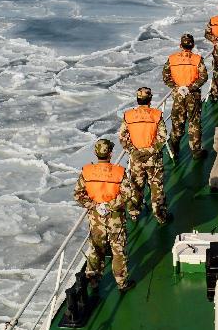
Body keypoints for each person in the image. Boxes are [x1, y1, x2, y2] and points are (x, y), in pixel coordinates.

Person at [73, 139, 135, 292]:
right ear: (111, 153)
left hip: (96, 218)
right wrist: (109, 205)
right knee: (118, 250)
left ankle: (93, 280)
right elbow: (128, 193)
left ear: (96, 153)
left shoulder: (86, 172)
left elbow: (78, 194)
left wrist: (95, 205)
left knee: (96, 249)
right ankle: (122, 283)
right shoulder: (119, 172)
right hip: (115, 218)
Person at [119, 87, 171, 224]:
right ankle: (160, 215)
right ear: (150, 99)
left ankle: (134, 213)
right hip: (153, 159)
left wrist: (134, 151)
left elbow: (123, 138)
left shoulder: (128, 116)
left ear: (137, 99)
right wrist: (149, 151)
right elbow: (162, 137)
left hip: (136, 159)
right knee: (156, 187)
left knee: (136, 186)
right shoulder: (156, 115)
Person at [162, 33, 209, 160]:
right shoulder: (197, 59)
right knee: (194, 122)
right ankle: (196, 151)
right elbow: (204, 76)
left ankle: (174, 149)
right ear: (192, 45)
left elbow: (166, 77)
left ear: (180, 45)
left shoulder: (172, 59)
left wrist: (177, 87)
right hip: (192, 96)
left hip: (178, 96)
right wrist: (190, 87)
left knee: (177, 123)